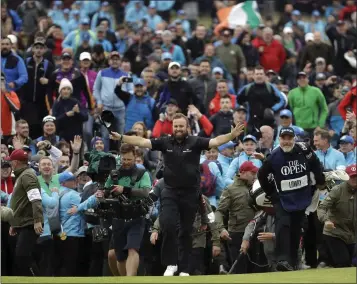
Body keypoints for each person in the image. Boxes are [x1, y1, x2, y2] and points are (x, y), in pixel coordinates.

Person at [109, 113, 245, 276]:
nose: (178, 129)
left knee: (186, 231)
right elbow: (142, 141)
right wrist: (122, 137)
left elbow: (215, 141)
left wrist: (231, 135)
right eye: (176, 126)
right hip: (170, 191)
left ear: (187, 127)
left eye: (181, 126)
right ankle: (171, 264)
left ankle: (185, 269)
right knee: (167, 224)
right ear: (172, 127)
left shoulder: (195, 141)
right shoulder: (165, 141)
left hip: (190, 193)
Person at [258, 127, 325, 271]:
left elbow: (315, 163)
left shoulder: (304, 149)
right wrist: (272, 194)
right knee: (283, 226)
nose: (287, 141)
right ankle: (283, 260)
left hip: (302, 198)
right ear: (279, 139)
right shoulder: (273, 156)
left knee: (296, 230)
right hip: (283, 200)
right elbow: (261, 175)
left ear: (294, 138)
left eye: (289, 138)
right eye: (284, 138)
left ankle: (292, 261)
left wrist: (319, 179)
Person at [104, 143, 152, 276]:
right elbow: (106, 190)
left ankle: (130, 280)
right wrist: (104, 193)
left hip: (136, 216)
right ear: (120, 157)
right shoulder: (114, 174)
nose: (126, 162)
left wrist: (124, 190)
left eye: (129, 159)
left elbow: (145, 192)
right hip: (118, 216)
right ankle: (124, 279)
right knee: (119, 255)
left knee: (133, 249)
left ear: (135, 157)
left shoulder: (142, 173)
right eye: (124, 159)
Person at [215, 161, 258, 274]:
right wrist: (221, 229)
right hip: (237, 233)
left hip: (256, 233)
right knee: (240, 270)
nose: (255, 175)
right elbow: (219, 212)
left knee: (256, 269)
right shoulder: (230, 189)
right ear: (242, 173)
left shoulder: (256, 187)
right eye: (252, 173)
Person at [8, 149, 44, 276]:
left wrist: (37, 220)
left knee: (22, 256)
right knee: (23, 257)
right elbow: (20, 203)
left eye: (11, 162)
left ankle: (37, 281)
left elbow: (35, 199)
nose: (11, 164)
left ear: (16, 162)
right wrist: (14, 224)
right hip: (24, 223)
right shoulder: (23, 175)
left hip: (29, 222)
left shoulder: (27, 175)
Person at [317, 164, 356, 268]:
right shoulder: (337, 190)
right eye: (351, 176)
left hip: (353, 234)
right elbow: (322, 208)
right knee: (343, 263)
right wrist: (326, 221)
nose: (354, 179)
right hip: (335, 232)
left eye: (356, 176)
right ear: (346, 177)